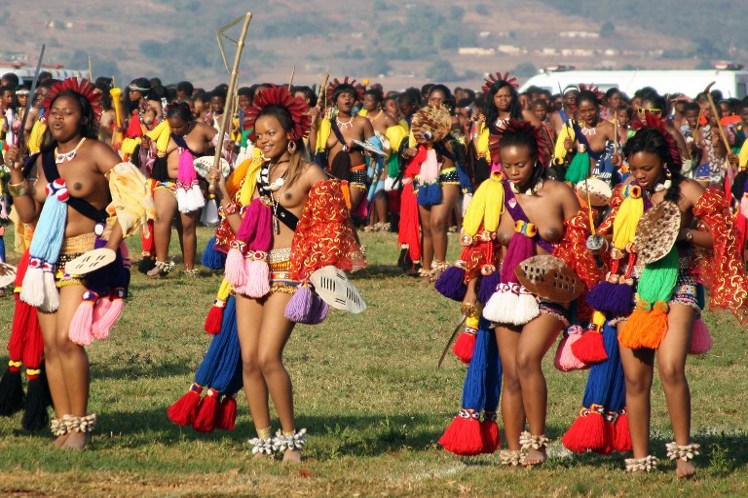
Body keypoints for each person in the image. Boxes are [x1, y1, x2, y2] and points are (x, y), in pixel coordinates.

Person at [209, 86, 364, 462]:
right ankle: (264, 439)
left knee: (268, 357)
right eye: (259, 134)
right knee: (249, 360)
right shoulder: (255, 174)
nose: (263, 139)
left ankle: (290, 438)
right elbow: (243, 230)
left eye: (271, 133)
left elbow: (332, 224)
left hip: (290, 272)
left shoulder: (311, 173)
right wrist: (221, 194)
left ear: (290, 135)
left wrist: (317, 270)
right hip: (254, 271)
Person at [3, 78, 151, 450]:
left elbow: (133, 195)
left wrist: (110, 247)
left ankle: (81, 427)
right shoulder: (41, 160)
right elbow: (28, 214)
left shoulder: (96, 151)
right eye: (54, 112)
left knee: (68, 341)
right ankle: (65, 425)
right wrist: (16, 173)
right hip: (46, 259)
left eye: (67, 113)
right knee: (50, 347)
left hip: (86, 255)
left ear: (83, 118)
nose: (58, 119)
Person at [610, 115, 747, 476]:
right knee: (635, 378)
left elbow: (722, 237)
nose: (639, 175)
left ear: (664, 163)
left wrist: (680, 234)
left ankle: (683, 454)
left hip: (680, 283)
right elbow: (613, 238)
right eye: (634, 168)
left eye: (647, 168)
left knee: (671, 368)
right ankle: (640, 458)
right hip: (635, 288)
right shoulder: (626, 195)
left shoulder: (688, 190)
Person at [142, 102, 219, 276]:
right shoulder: (163, 131)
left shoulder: (202, 129)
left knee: (187, 226)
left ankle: (189, 268)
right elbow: (150, 153)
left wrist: (225, 147)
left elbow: (223, 141)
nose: (175, 130)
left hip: (192, 184)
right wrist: (147, 147)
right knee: (161, 219)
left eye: (179, 126)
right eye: (172, 126)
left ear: (188, 121)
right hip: (167, 182)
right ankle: (161, 263)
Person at [310, 78, 375, 213]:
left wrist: (358, 144)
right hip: (331, 173)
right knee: (332, 213)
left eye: (351, 96)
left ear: (355, 101)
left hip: (356, 172)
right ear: (335, 101)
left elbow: (375, 150)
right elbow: (313, 149)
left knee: (346, 212)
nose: (347, 99)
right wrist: (313, 124)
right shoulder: (325, 124)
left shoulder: (363, 122)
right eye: (343, 96)